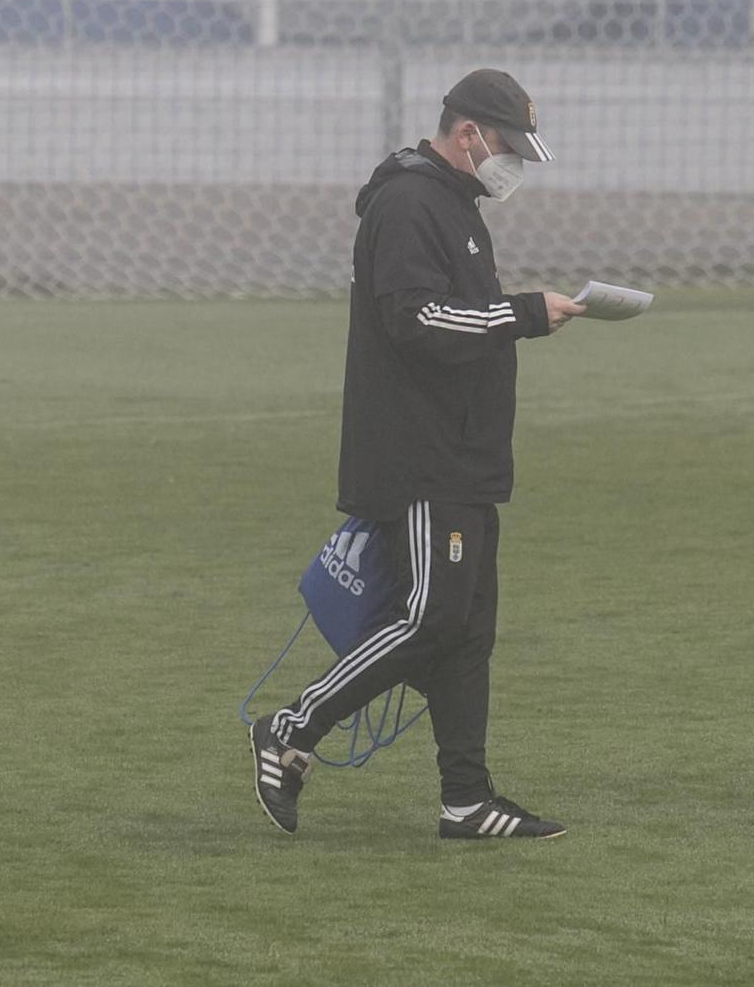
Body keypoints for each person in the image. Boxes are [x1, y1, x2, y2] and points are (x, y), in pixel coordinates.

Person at [250, 68, 585, 840]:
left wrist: (515, 313)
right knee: (432, 617)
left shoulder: (455, 207)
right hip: (422, 455)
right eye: (508, 148)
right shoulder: (409, 203)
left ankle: (466, 799)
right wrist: (526, 312)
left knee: (467, 628)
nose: (515, 167)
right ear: (467, 133)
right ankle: (290, 727)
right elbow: (417, 318)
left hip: (464, 455)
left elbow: (458, 314)